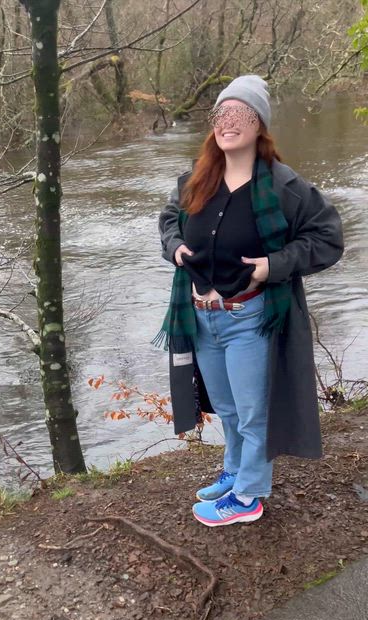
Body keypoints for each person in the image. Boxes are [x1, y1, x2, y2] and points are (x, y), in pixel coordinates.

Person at [156, 74, 344, 527]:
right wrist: (175, 247)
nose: (229, 122)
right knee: (229, 408)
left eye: (241, 113)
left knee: (254, 410)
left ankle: (248, 497)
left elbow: (328, 239)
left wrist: (270, 266)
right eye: (222, 114)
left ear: (260, 125)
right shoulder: (195, 180)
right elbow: (168, 220)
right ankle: (235, 470)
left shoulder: (285, 187)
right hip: (202, 318)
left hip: (251, 317)